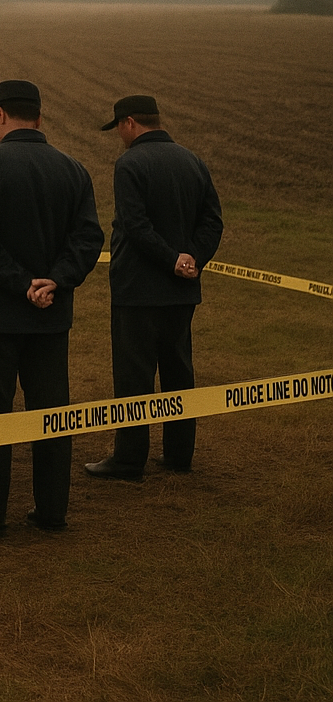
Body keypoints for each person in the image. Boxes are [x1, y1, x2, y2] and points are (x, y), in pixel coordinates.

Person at [0, 80, 103, 536]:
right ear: (38, 117)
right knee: (52, 415)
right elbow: (88, 239)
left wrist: (21, 284)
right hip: (50, 316)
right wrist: (55, 280)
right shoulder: (73, 170)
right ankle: (52, 510)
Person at [85, 95, 222, 481]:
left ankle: (129, 459)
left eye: (119, 128)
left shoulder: (130, 163)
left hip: (137, 290)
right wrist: (192, 258)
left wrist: (170, 259)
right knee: (179, 371)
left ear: (129, 123)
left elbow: (135, 225)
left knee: (134, 376)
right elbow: (213, 221)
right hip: (182, 291)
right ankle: (179, 454)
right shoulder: (193, 161)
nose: (119, 136)